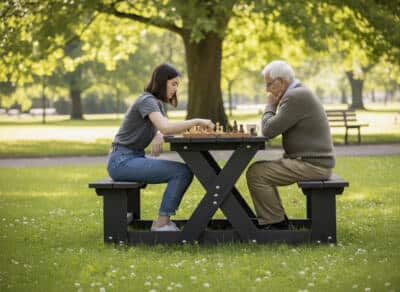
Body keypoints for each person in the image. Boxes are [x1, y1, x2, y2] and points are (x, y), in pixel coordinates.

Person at [107, 63, 215, 231]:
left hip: (131, 158)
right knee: (182, 172)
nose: (175, 89)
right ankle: (161, 224)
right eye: (173, 84)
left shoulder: (155, 103)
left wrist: (158, 135)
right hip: (121, 161)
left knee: (184, 171)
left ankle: (163, 222)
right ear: (162, 81)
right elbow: (166, 127)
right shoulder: (147, 100)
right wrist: (197, 121)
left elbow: (161, 128)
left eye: (177, 85)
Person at [246, 60, 335, 230]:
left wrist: (271, 105)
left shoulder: (295, 96)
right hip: (313, 162)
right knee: (259, 170)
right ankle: (277, 220)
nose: (267, 90)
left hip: (313, 165)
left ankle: (277, 225)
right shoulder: (298, 93)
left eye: (269, 84)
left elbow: (268, 130)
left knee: (257, 173)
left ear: (281, 81)